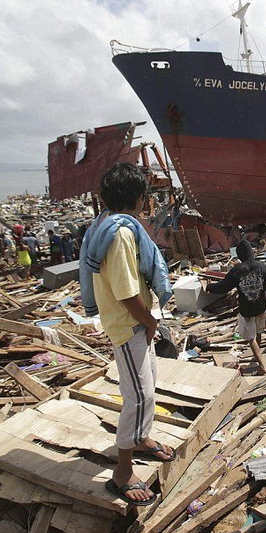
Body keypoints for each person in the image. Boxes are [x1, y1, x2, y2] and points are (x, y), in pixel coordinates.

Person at [78, 162, 173, 506]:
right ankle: (122, 472)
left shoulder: (106, 223)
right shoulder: (120, 234)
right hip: (128, 323)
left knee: (149, 385)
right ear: (139, 197)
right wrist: (150, 323)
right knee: (138, 396)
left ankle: (142, 437)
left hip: (133, 321)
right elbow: (125, 291)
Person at [206, 239, 266, 373]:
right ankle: (258, 357)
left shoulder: (237, 271)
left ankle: (261, 365)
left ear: (240, 255)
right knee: (258, 332)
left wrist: (209, 287)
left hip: (247, 310)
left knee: (251, 338)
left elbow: (223, 287)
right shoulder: (261, 267)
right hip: (260, 307)